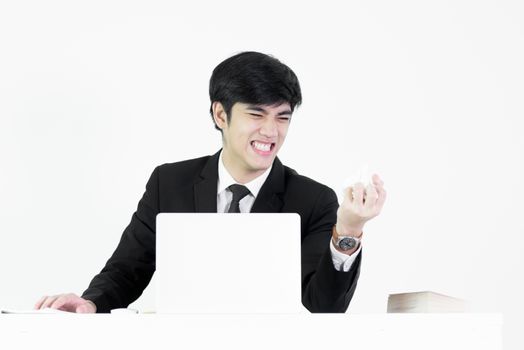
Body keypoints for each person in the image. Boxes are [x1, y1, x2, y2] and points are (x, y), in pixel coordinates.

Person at [35, 51, 386, 313]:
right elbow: (127, 269)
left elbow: (323, 307)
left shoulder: (313, 200)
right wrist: (89, 303)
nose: (271, 131)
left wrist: (349, 231)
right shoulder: (168, 182)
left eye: (282, 117)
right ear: (221, 114)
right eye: (256, 114)